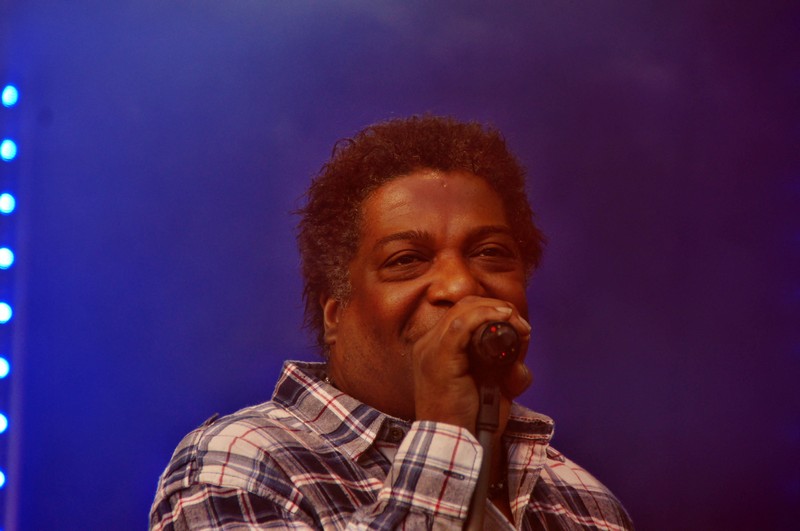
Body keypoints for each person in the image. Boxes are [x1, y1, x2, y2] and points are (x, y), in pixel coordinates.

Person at [150, 115, 633, 530]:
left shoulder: (587, 502)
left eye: (490, 252)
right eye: (406, 259)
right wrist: (449, 432)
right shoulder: (241, 462)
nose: (460, 285)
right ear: (334, 314)